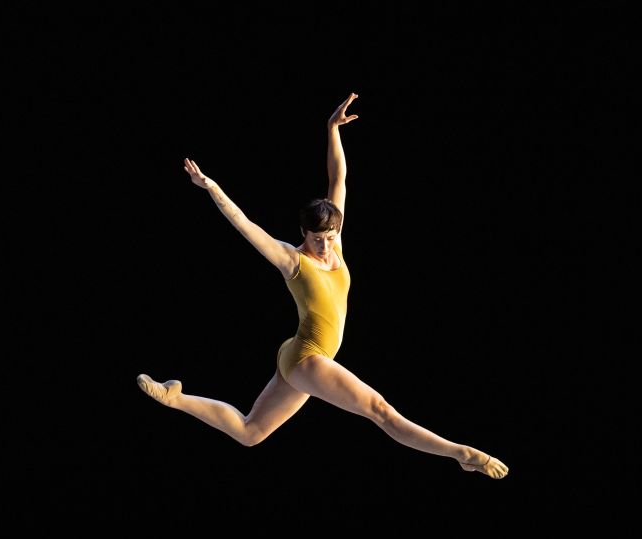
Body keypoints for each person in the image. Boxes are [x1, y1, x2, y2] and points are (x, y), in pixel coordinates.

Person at [137, 93, 508, 479]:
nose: (326, 244)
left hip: (297, 355)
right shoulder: (293, 260)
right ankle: (462, 454)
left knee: (250, 432)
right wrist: (211, 187)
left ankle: (177, 397)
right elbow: (245, 225)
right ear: (304, 233)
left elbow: (338, 178)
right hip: (308, 359)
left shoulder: (337, 240)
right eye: (318, 238)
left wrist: (332, 130)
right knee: (380, 411)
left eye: (331, 235)